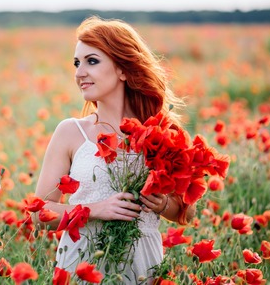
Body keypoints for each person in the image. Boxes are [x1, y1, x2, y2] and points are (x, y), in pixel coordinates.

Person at [33, 16, 196, 284]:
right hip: (81, 265)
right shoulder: (71, 132)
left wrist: (163, 204)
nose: (79, 72)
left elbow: (187, 211)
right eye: (77, 63)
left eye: (91, 61)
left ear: (123, 69)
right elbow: (39, 214)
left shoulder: (163, 134)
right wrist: (95, 209)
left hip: (143, 266)